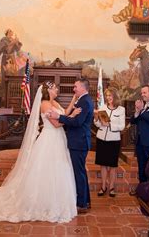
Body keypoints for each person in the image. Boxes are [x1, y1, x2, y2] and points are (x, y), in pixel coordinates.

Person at [0, 81, 80, 222]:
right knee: (46, 170)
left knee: (59, 169)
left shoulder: (54, 103)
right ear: (48, 91)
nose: (57, 90)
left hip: (59, 139)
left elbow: (64, 113)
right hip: (50, 139)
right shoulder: (45, 104)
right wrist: (73, 116)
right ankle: (42, 202)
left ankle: (54, 200)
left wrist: (73, 100)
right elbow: (56, 124)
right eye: (54, 88)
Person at [49, 78, 94, 212]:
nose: (73, 89)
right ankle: (86, 200)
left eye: (75, 87)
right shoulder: (83, 100)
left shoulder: (85, 102)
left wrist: (59, 117)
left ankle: (81, 204)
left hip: (79, 142)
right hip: (78, 141)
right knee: (81, 172)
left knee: (79, 173)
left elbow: (78, 122)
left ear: (83, 88)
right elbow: (75, 119)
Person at [94, 87, 125, 198]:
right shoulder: (102, 107)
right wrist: (96, 118)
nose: (108, 98)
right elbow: (97, 125)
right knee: (102, 165)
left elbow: (122, 126)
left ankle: (111, 187)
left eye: (110, 96)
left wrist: (110, 125)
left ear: (115, 97)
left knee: (112, 165)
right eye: (107, 96)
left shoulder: (121, 110)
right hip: (101, 138)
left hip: (114, 140)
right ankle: (103, 186)